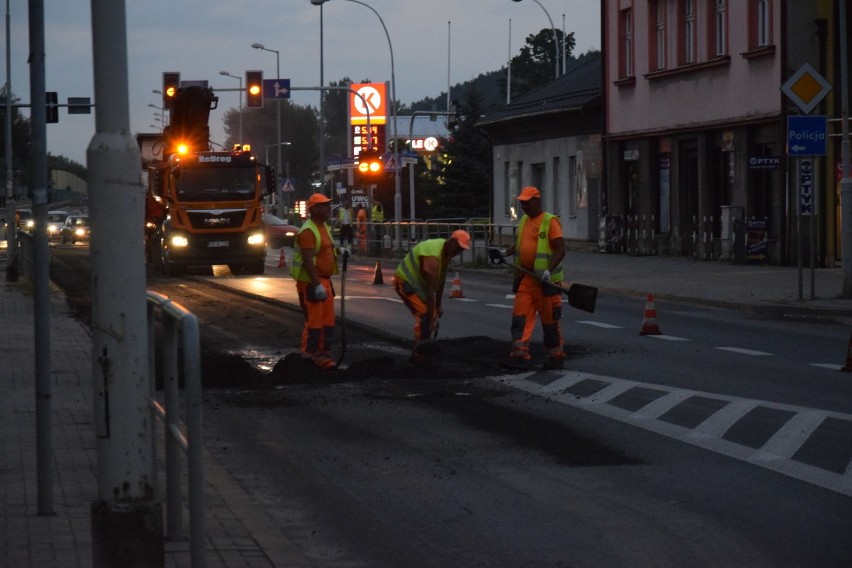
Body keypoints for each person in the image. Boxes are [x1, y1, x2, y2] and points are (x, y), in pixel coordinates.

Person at [500, 186, 566, 370]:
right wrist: (504, 252)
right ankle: (519, 354)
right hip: (526, 277)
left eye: (527, 203)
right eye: (522, 203)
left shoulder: (549, 221)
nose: (524, 206)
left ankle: (556, 356)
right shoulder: (524, 221)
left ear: (537, 201)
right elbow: (519, 246)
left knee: (550, 321)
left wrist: (548, 270)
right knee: (519, 317)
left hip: (546, 282)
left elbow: (561, 249)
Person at [393, 230, 471, 366]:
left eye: (461, 250)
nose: (458, 252)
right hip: (405, 283)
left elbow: (440, 282)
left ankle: (423, 350)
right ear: (451, 242)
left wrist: (437, 307)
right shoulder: (432, 256)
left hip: (417, 286)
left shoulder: (445, 254)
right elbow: (430, 289)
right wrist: (430, 319)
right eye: (458, 248)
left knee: (430, 315)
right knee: (424, 316)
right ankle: (419, 355)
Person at [290, 192, 346, 370]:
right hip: (311, 283)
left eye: (328, 205)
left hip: (324, 281)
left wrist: (341, 252)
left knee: (328, 322)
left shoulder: (324, 227)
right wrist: (316, 285)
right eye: (324, 206)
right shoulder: (308, 231)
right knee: (314, 324)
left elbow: (325, 251)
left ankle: (323, 357)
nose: (328, 208)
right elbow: (308, 261)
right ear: (314, 210)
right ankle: (307, 360)